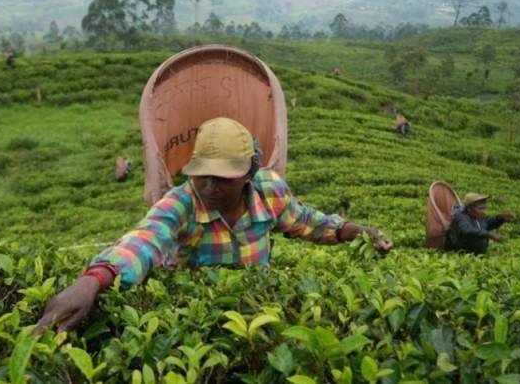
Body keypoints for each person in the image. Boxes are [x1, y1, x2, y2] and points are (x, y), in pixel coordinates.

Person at [35, 117, 393, 333]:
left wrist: (357, 232)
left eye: (223, 178)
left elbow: (308, 223)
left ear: (249, 173)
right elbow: (144, 240)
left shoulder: (269, 190)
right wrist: (92, 282)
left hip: (257, 311)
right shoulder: (182, 201)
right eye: (202, 175)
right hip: (195, 317)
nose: (209, 186)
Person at [444, 193, 515, 254]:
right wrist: (490, 235)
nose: (483, 211)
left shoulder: (478, 217)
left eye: (484, 208)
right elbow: (467, 230)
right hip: (461, 254)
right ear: (470, 208)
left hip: (475, 255)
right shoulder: (461, 217)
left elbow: (487, 223)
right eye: (481, 208)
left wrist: (500, 218)